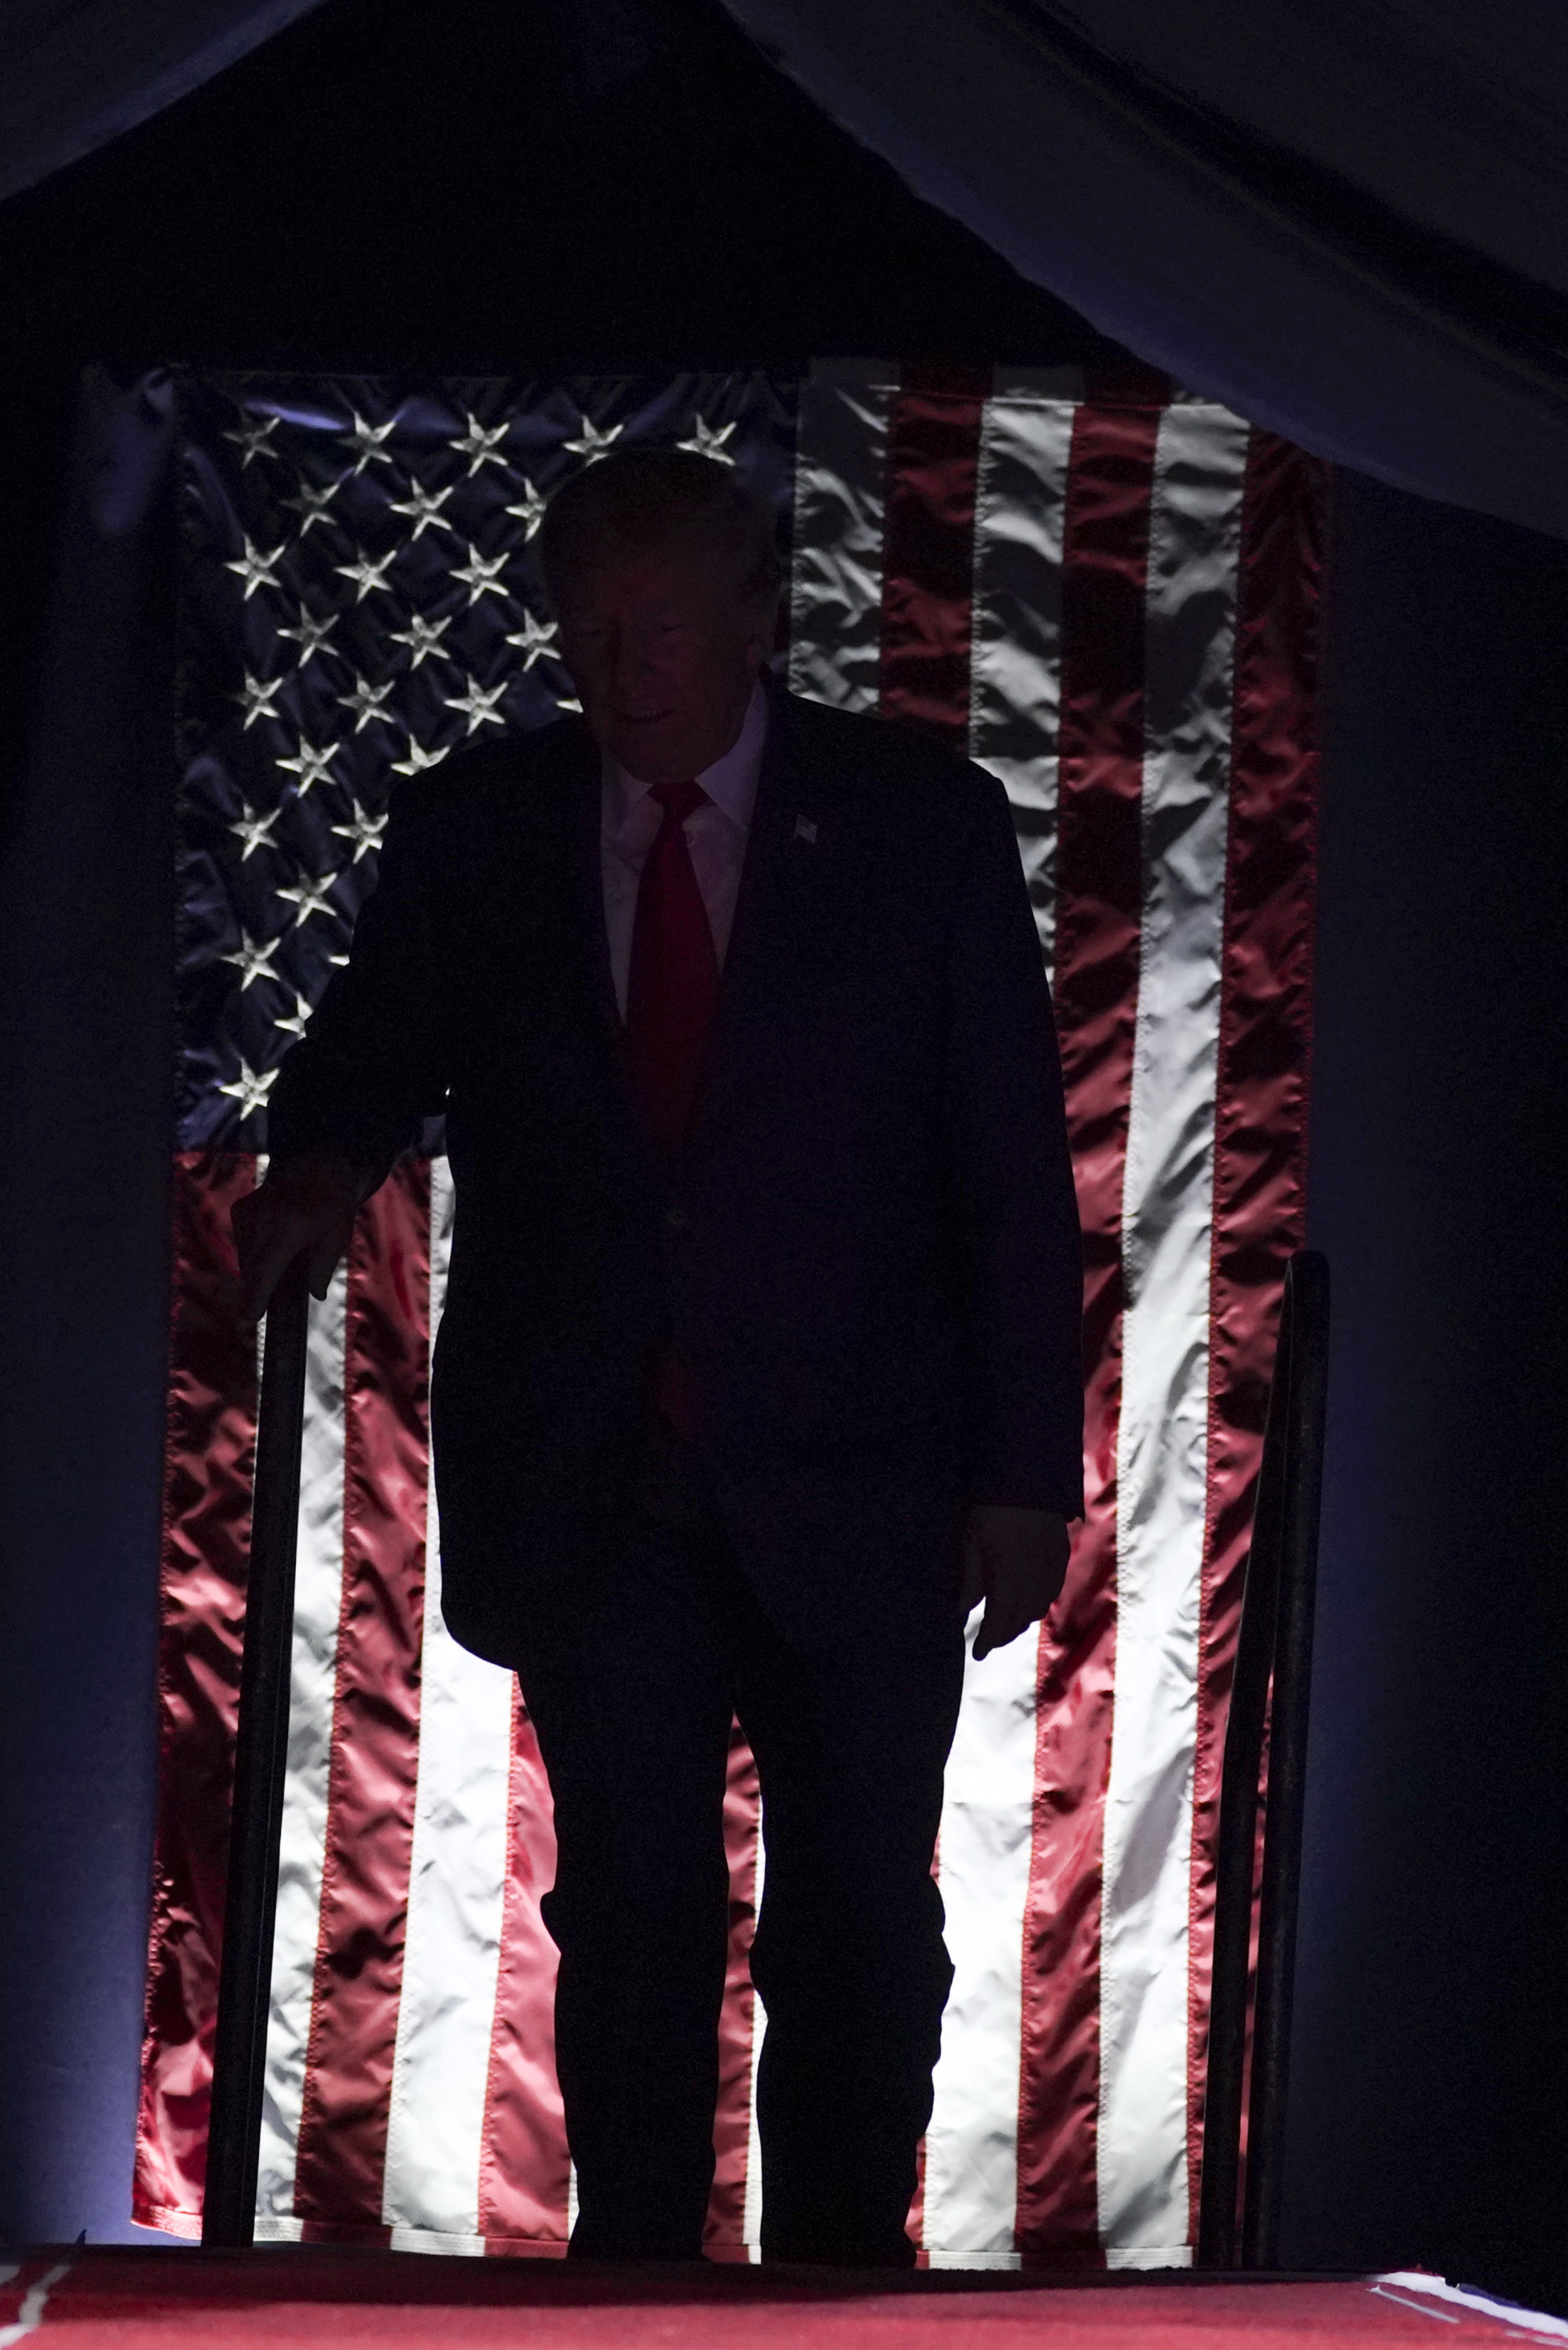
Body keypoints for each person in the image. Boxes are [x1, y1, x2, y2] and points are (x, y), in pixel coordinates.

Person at [235, 449, 1082, 2264]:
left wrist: (1026, 1478)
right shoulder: (478, 824)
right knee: (626, 1908)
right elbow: (374, 1040)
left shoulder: (918, 828)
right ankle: (626, 2282)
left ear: (761, 621)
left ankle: (842, 2277)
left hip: (859, 1474)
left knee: (856, 1909)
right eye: (593, 630)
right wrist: (319, 1164)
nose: (626, 670)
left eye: (666, 628)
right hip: (594, 1470)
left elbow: (1011, 1173)